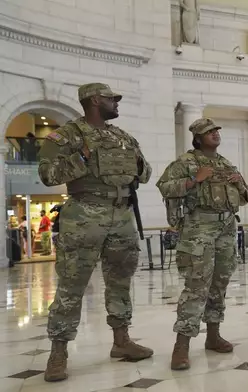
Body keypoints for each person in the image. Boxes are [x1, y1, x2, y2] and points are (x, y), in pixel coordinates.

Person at [37, 83, 154, 382]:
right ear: (93, 101)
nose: (116, 103)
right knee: (72, 285)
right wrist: (84, 158)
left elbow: (145, 172)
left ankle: (121, 340)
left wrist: (136, 166)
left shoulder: (122, 136)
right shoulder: (66, 136)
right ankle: (58, 351)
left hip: (122, 213)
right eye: (111, 99)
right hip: (84, 215)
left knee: (120, 281)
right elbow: (49, 175)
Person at [156, 118, 248, 370]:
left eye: (217, 130)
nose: (216, 134)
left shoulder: (225, 163)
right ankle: (182, 345)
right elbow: (164, 187)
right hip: (199, 228)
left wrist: (237, 181)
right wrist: (193, 180)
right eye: (210, 132)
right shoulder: (185, 162)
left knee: (220, 282)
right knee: (197, 285)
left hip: (226, 227)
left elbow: (244, 196)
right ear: (198, 137)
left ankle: (213, 335)